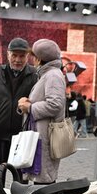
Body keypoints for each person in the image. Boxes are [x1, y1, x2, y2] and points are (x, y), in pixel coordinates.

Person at [0, 37, 38, 169]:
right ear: (8, 55)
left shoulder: (35, 75)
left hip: (23, 136)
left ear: (27, 56)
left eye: (22, 56)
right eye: (14, 55)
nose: (17, 60)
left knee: (22, 178)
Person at [17, 39, 67, 184]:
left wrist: (30, 107)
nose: (32, 60)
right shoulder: (48, 74)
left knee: (44, 181)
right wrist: (28, 102)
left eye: (34, 56)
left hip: (46, 136)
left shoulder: (53, 75)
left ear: (39, 59)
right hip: (41, 134)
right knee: (41, 178)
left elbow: (55, 104)